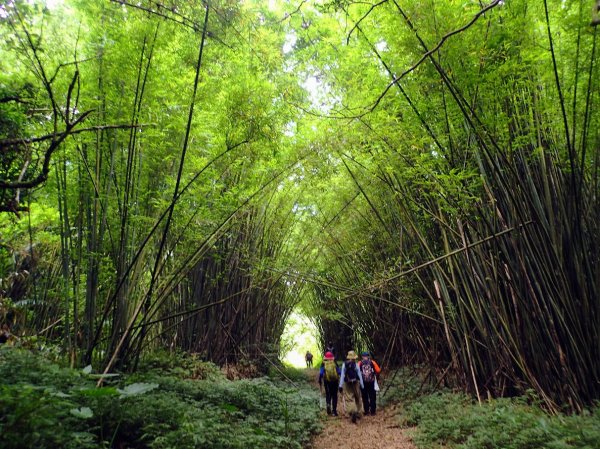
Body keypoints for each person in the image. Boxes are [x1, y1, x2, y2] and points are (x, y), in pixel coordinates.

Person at [338, 350, 364, 423]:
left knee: (349, 398)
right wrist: (362, 385)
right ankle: (359, 412)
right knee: (357, 397)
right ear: (354, 357)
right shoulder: (356, 364)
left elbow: (342, 375)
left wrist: (340, 386)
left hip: (347, 384)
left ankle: (353, 411)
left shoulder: (344, 365)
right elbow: (360, 375)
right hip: (356, 383)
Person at [359, 351, 381, 416]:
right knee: (372, 396)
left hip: (363, 382)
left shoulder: (360, 363)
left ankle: (366, 411)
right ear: (368, 356)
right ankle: (373, 411)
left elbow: (357, 371)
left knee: (364, 396)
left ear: (362, 357)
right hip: (371, 381)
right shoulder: (372, 362)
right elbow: (378, 370)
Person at [318, 351, 340, 416]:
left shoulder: (323, 363)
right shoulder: (334, 362)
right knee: (334, 396)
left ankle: (328, 405)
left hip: (326, 381)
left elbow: (321, 373)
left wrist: (320, 380)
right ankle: (334, 411)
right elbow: (339, 372)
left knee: (328, 394)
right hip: (335, 381)